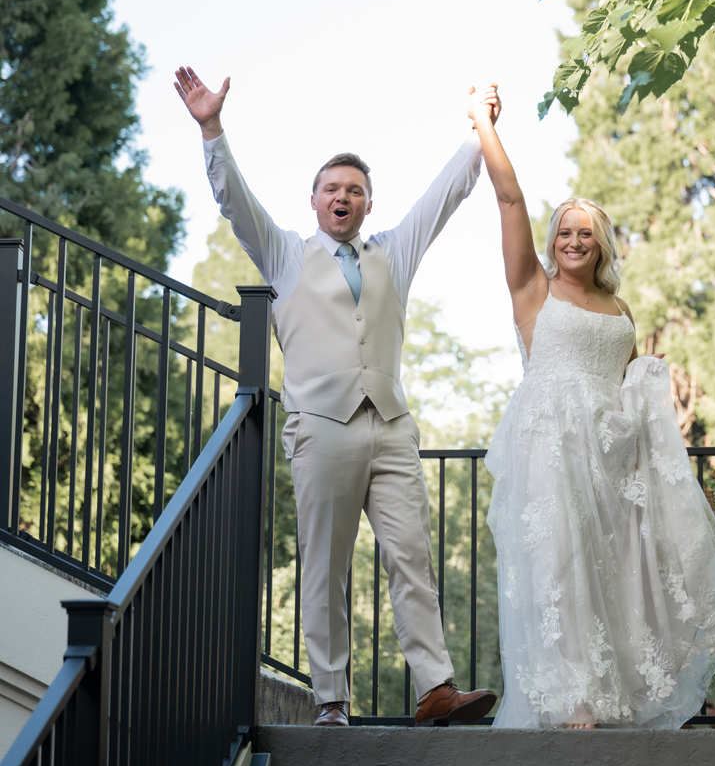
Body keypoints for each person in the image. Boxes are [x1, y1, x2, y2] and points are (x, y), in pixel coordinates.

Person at [173, 66, 498, 728]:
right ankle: (330, 700)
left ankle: (436, 689)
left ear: (368, 204)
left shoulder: (393, 253)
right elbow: (235, 201)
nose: (343, 196)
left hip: (392, 425)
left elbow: (444, 195)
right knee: (325, 566)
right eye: (332, 188)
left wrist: (479, 132)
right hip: (321, 427)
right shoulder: (286, 254)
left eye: (355, 190)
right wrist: (212, 128)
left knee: (413, 557)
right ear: (315, 200)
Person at [467, 84, 715, 730]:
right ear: (552, 240)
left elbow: (626, 384)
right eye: (565, 231)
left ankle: (614, 691)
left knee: (613, 565)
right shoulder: (533, 289)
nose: (573, 239)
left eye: (585, 232)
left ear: (602, 244)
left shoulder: (620, 309)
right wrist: (484, 125)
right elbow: (510, 200)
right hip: (549, 444)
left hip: (611, 454)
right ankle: (576, 698)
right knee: (560, 560)